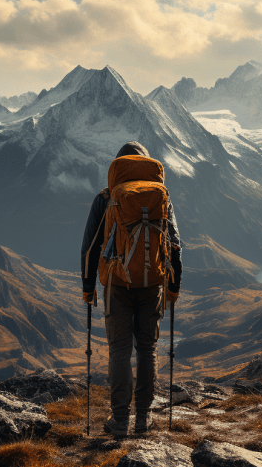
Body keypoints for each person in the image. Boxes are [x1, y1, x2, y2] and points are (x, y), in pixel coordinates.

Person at [80, 141, 182, 437]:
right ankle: (143, 418)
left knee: (120, 350)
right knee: (147, 349)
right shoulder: (161, 196)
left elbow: (90, 247)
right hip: (153, 283)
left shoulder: (107, 197)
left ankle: (120, 420)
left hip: (117, 284)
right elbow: (174, 243)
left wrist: (88, 288)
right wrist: (173, 285)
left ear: (118, 166)